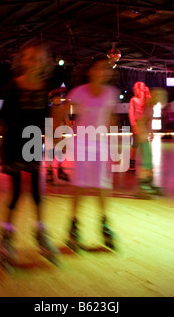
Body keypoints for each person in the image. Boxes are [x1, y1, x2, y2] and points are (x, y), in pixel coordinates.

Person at [0, 39, 59, 266]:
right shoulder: (14, 86)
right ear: (23, 60)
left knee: (37, 193)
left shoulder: (44, 88)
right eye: (31, 58)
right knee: (15, 194)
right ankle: (6, 237)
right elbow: (2, 117)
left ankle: (41, 233)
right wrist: (0, 145)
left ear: (44, 63)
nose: (35, 62)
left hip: (32, 144)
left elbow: (44, 119)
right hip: (13, 144)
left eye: (39, 59)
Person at [66, 55, 118, 252]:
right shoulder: (78, 92)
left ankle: (104, 223)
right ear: (90, 71)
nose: (101, 72)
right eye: (97, 68)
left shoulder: (111, 93)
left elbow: (111, 119)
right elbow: (64, 111)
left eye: (105, 68)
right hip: (81, 142)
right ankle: (73, 224)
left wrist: (114, 145)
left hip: (101, 143)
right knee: (79, 184)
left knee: (102, 185)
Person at [133, 83, 166, 198]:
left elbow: (147, 121)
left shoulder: (150, 106)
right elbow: (140, 120)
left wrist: (150, 133)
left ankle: (149, 183)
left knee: (149, 162)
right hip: (142, 136)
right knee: (147, 162)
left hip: (144, 135)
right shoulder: (147, 106)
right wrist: (142, 134)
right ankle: (142, 186)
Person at [45, 87, 71, 184]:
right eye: (55, 98)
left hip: (59, 134)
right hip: (50, 133)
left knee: (60, 153)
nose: (57, 100)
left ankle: (59, 168)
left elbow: (66, 120)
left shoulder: (62, 109)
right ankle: (50, 170)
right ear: (52, 100)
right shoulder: (50, 110)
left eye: (59, 98)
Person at [128, 82, 151, 172]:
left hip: (144, 124)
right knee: (135, 144)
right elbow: (131, 113)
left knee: (145, 144)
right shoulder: (133, 100)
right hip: (137, 124)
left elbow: (149, 108)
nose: (134, 91)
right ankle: (132, 162)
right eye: (133, 89)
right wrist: (133, 125)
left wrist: (147, 94)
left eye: (135, 89)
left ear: (140, 89)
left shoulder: (145, 98)